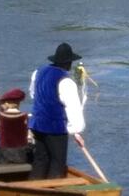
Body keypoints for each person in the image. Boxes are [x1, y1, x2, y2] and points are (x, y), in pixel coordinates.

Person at [29, 43, 86, 180]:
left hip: (37, 125)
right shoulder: (66, 82)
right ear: (69, 63)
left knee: (40, 160)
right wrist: (75, 130)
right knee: (57, 164)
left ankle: (34, 187)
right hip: (55, 129)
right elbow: (74, 110)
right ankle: (54, 190)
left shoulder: (38, 72)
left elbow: (33, 94)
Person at [0, 88, 30, 165]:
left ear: (7, 103)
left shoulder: (0, 116)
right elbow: (28, 133)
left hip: (4, 153)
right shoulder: (25, 116)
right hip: (21, 153)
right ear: (19, 103)